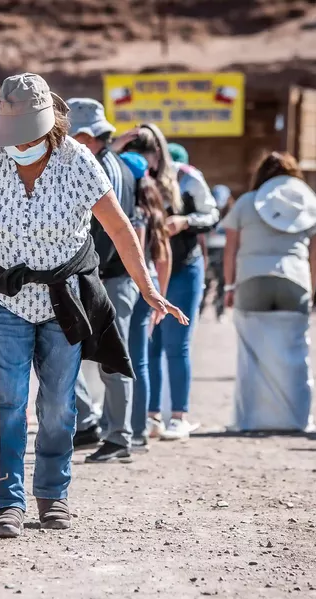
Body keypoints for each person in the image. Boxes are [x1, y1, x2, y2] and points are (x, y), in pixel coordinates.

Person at [0, 73, 187, 538]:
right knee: (8, 404)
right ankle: (7, 502)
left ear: (50, 127)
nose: (17, 143)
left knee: (59, 407)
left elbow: (120, 228)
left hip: (64, 299)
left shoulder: (77, 160)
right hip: (5, 300)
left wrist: (147, 287)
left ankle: (52, 496)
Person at [116, 128, 218, 441]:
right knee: (149, 345)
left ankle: (179, 416)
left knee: (178, 342)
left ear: (159, 154)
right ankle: (151, 417)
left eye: (148, 156)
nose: (144, 163)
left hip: (184, 267)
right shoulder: (127, 177)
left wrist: (185, 221)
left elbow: (211, 213)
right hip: (145, 269)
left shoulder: (187, 177)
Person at [65, 97, 141, 463]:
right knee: (75, 351)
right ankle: (98, 427)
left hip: (106, 275)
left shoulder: (101, 169)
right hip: (109, 275)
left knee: (111, 358)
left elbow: (103, 234)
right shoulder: (118, 165)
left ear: (90, 136)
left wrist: (84, 276)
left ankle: (117, 435)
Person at [222, 152, 316, 314]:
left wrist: (229, 286)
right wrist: (310, 293)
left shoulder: (245, 202)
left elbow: (230, 250)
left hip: (251, 277)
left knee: (251, 337)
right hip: (295, 276)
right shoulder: (309, 203)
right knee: (293, 338)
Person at [121, 152, 172, 451]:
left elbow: (134, 256)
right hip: (149, 286)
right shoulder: (154, 210)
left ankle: (132, 428)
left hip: (130, 286)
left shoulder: (130, 211)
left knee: (127, 360)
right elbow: (162, 258)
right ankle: (139, 428)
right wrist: (159, 298)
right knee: (139, 358)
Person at [201, 184, 231, 322]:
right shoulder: (208, 211)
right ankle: (200, 309)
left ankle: (220, 311)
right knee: (205, 282)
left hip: (223, 250)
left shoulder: (231, 214)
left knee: (222, 283)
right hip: (209, 250)